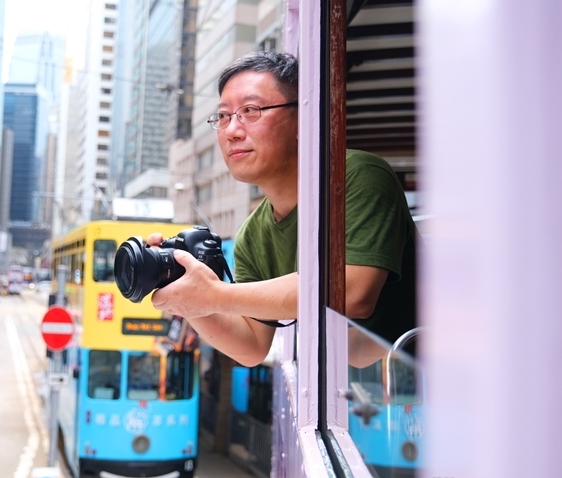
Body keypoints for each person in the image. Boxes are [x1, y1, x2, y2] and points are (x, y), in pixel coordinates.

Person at [148, 51, 418, 368]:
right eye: (223, 116)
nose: (232, 130)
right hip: (363, 389)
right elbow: (251, 345)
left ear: (304, 118)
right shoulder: (253, 234)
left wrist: (214, 295)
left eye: (250, 111)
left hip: (431, 379)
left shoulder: (357, 176)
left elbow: (353, 292)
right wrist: (188, 298)